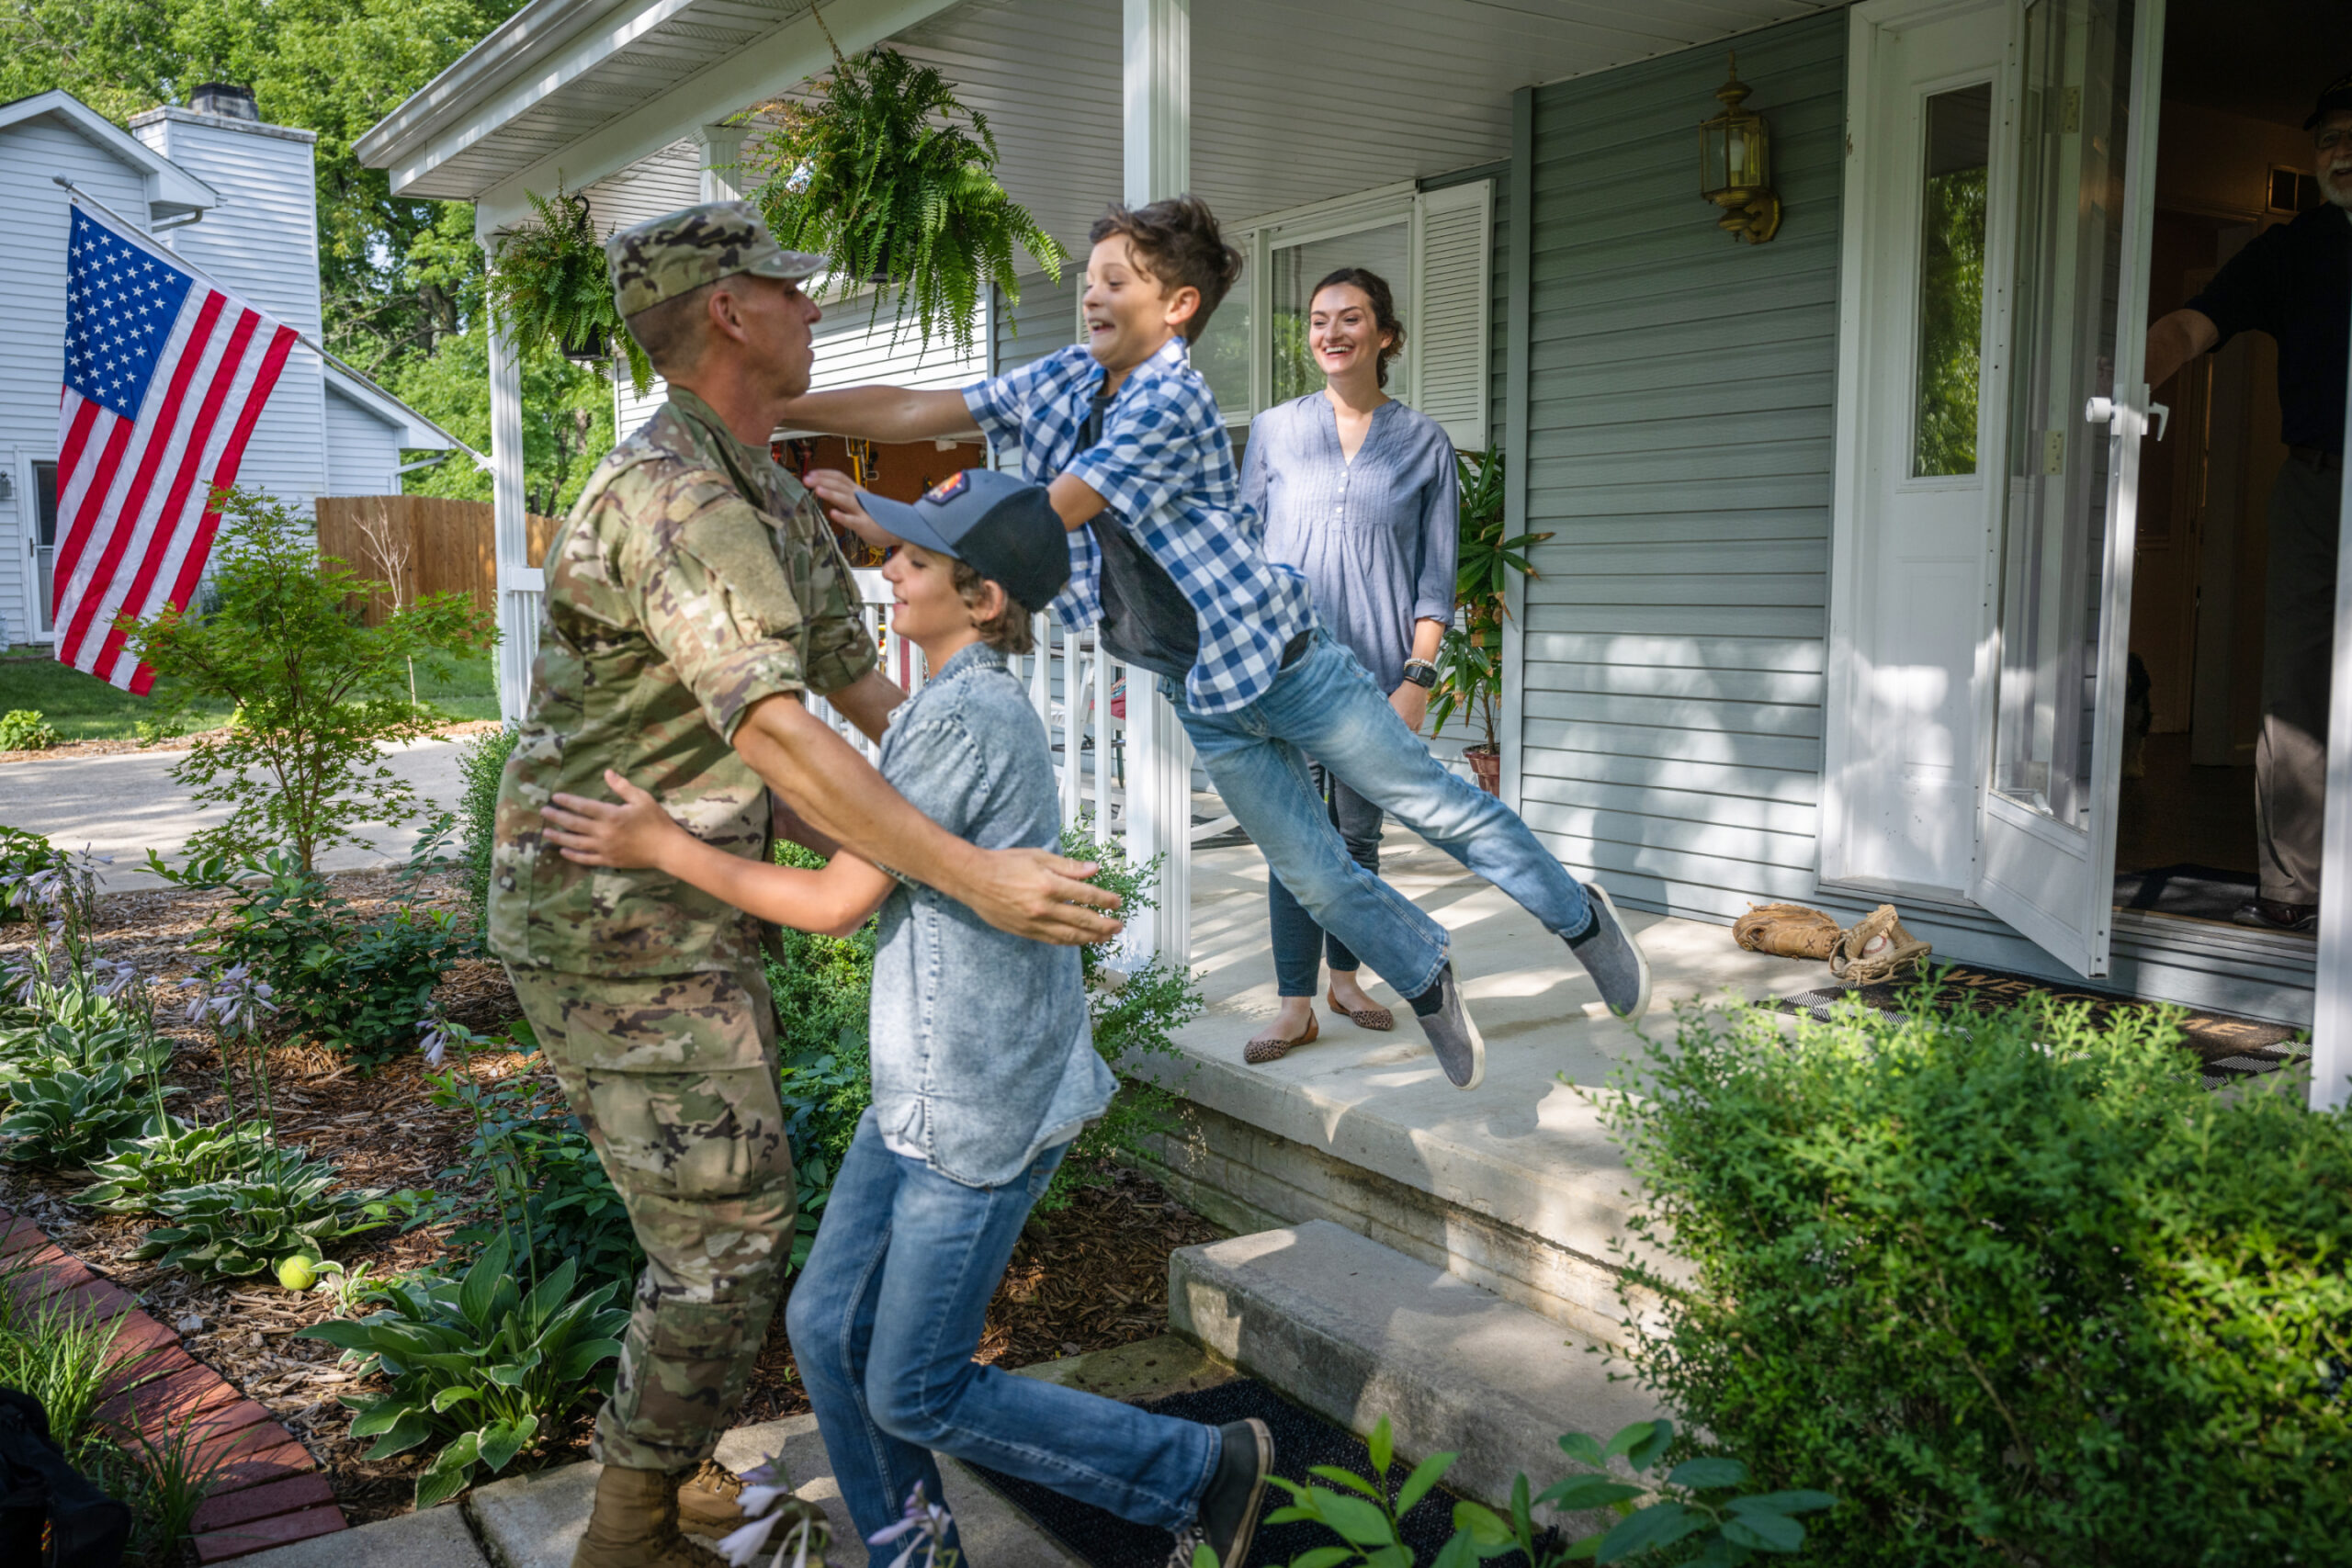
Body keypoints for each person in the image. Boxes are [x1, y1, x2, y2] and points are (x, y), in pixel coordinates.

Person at [486, 201, 1121, 1568]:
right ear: (730, 310)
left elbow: (870, 695)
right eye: (790, 289)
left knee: (733, 1217)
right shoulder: (680, 499)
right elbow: (775, 728)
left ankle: (672, 1464)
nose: (812, 308)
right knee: (725, 1233)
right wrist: (974, 876)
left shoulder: (766, 483)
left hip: (695, 903)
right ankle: (631, 1524)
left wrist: (975, 771)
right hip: (614, 911)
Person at [537, 469, 1277, 1568]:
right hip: (924, 1089)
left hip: (977, 1101)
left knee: (917, 1386)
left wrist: (664, 849)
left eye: (915, 560)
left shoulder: (966, 716)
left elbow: (842, 899)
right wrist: (739, 796)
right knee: (826, 1333)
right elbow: (875, 838)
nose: (889, 569)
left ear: (981, 599)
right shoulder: (941, 702)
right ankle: (914, 1554)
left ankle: (1194, 1472)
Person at [778, 196, 1652, 1094]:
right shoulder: (1069, 378)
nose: (1092, 295)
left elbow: (1041, 523)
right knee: (1313, 874)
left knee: (1435, 804)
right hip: (1200, 688)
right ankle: (1425, 973)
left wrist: (887, 513)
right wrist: (779, 396)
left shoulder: (1170, 398)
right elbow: (919, 404)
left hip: (1290, 668)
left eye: (1117, 280)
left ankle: (1578, 918)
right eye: (1090, 279)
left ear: (1178, 307)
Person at [2143, 72, 2351, 934]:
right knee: (2294, 688)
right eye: (2329, 139)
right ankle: (2291, 890)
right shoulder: (2292, 248)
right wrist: (2126, 380)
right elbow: (2196, 324)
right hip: (2314, 480)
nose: (2342, 152)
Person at [1239, 266, 1456, 1062]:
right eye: (1320, 319)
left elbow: (1437, 580)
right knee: (1292, 839)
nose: (1332, 332)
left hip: (1374, 678)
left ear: (1385, 335)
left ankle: (1346, 979)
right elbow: (1241, 549)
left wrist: (1417, 680)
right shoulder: (1273, 431)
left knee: (1357, 839)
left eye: (1351, 318)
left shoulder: (1424, 443)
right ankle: (1295, 1004)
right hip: (1283, 669)